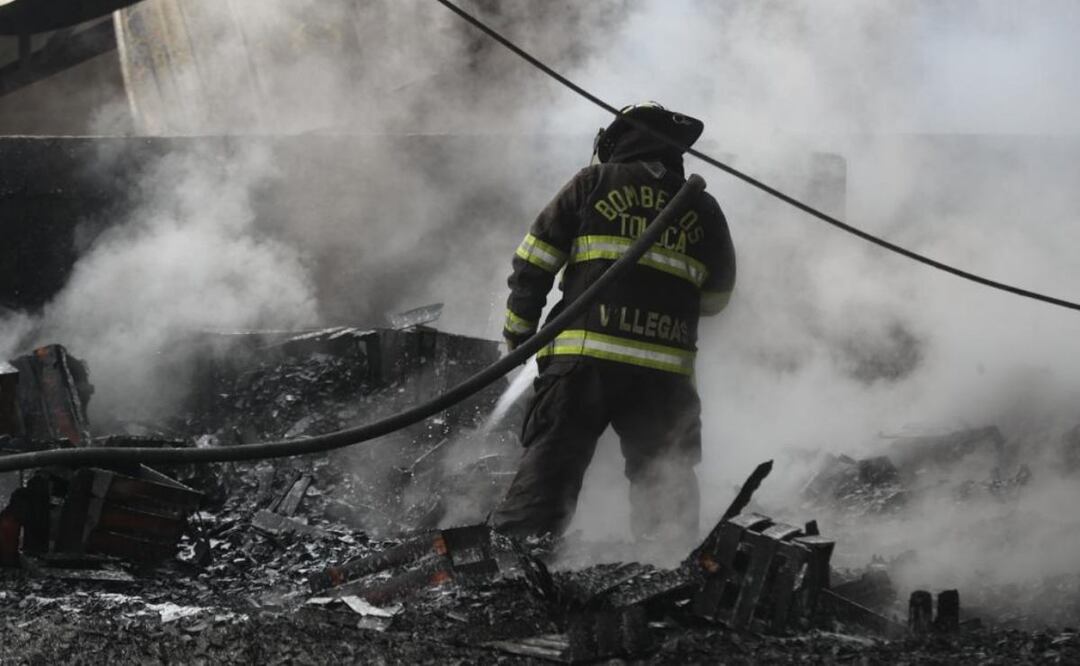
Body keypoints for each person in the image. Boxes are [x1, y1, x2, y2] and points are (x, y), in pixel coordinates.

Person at [491, 102, 736, 544]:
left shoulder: (592, 183)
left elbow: (533, 264)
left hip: (583, 366)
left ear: (617, 140)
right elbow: (718, 299)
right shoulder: (704, 208)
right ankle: (668, 586)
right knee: (667, 490)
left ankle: (513, 574)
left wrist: (519, 338)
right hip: (664, 376)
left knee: (549, 478)